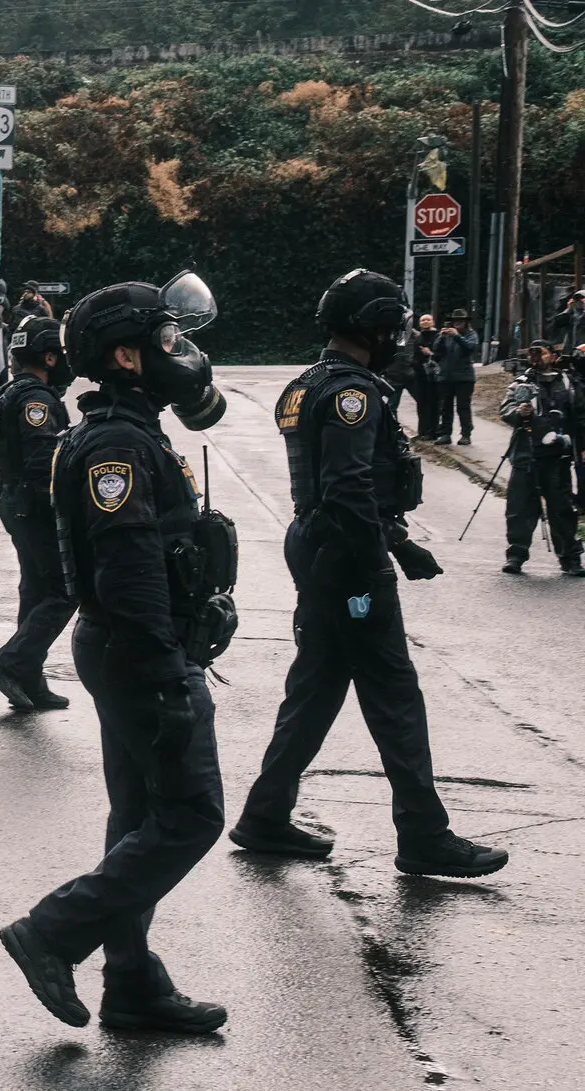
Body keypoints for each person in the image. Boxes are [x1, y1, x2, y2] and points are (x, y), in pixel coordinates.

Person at [0, 272, 235, 1035]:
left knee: (138, 815)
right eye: (164, 339)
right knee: (192, 814)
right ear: (128, 358)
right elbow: (130, 570)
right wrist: (168, 677)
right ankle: (54, 930)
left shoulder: (122, 431)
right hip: (140, 653)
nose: (177, 351)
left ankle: (131, 981)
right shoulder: (116, 444)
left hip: (128, 650)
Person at [229, 268, 507, 878]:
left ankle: (265, 815)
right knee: (394, 695)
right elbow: (349, 485)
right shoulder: (354, 392)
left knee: (316, 689)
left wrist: (396, 539)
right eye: (393, 327)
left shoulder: (308, 384)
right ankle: (424, 834)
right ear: (374, 327)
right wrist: (384, 554)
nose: (400, 338)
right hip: (347, 554)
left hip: (320, 543)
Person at [0, 316, 75, 711]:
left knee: (35, 589)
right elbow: (42, 460)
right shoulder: (37, 399)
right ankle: (12, 663)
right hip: (34, 503)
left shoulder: (6, 392)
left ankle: (30, 679)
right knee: (65, 590)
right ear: (49, 357)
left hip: (15, 500)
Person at [499, 340, 584, 576]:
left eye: (542, 353)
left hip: (558, 457)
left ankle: (570, 557)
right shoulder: (521, 383)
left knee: (562, 508)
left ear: (552, 356)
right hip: (526, 453)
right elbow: (505, 410)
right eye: (532, 353)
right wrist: (518, 412)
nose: (536, 358)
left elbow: (579, 415)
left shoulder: (569, 383)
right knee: (519, 508)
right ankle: (516, 555)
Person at [433, 309, 480, 445]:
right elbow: (436, 350)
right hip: (446, 376)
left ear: (466, 323)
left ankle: (466, 434)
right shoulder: (446, 335)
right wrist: (441, 337)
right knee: (445, 407)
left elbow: (470, 348)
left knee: (463, 407)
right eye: (455, 321)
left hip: (464, 378)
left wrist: (457, 336)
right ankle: (445, 434)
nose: (458, 323)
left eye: (461, 321)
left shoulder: (471, 334)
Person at [549, 290, 585, 356]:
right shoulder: (571, 315)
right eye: (577, 299)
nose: (580, 301)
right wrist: (568, 309)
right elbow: (558, 323)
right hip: (570, 351)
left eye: (582, 299)